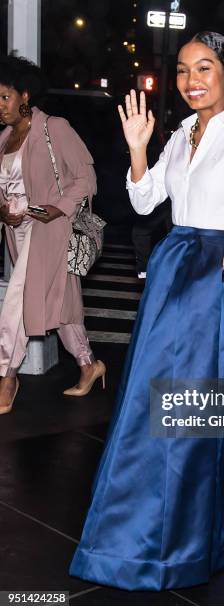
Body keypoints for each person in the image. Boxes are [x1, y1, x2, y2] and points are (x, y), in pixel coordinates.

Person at [70, 31, 224, 592]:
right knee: (155, 397)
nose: (192, 81)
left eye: (205, 68)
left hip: (213, 275)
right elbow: (144, 202)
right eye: (184, 71)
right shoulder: (182, 132)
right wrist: (138, 147)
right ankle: (151, 524)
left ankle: (192, 531)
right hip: (173, 272)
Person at [0, 55, 105, 414]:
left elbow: (85, 178)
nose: (0, 106)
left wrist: (58, 207)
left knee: (18, 299)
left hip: (52, 231)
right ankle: (89, 365)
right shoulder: (3, 139)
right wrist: (3, 211)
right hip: (20, 234)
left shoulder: (53, 128)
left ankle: (6, 376)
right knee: (58, 305)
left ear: (24, 94)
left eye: (4, 97)